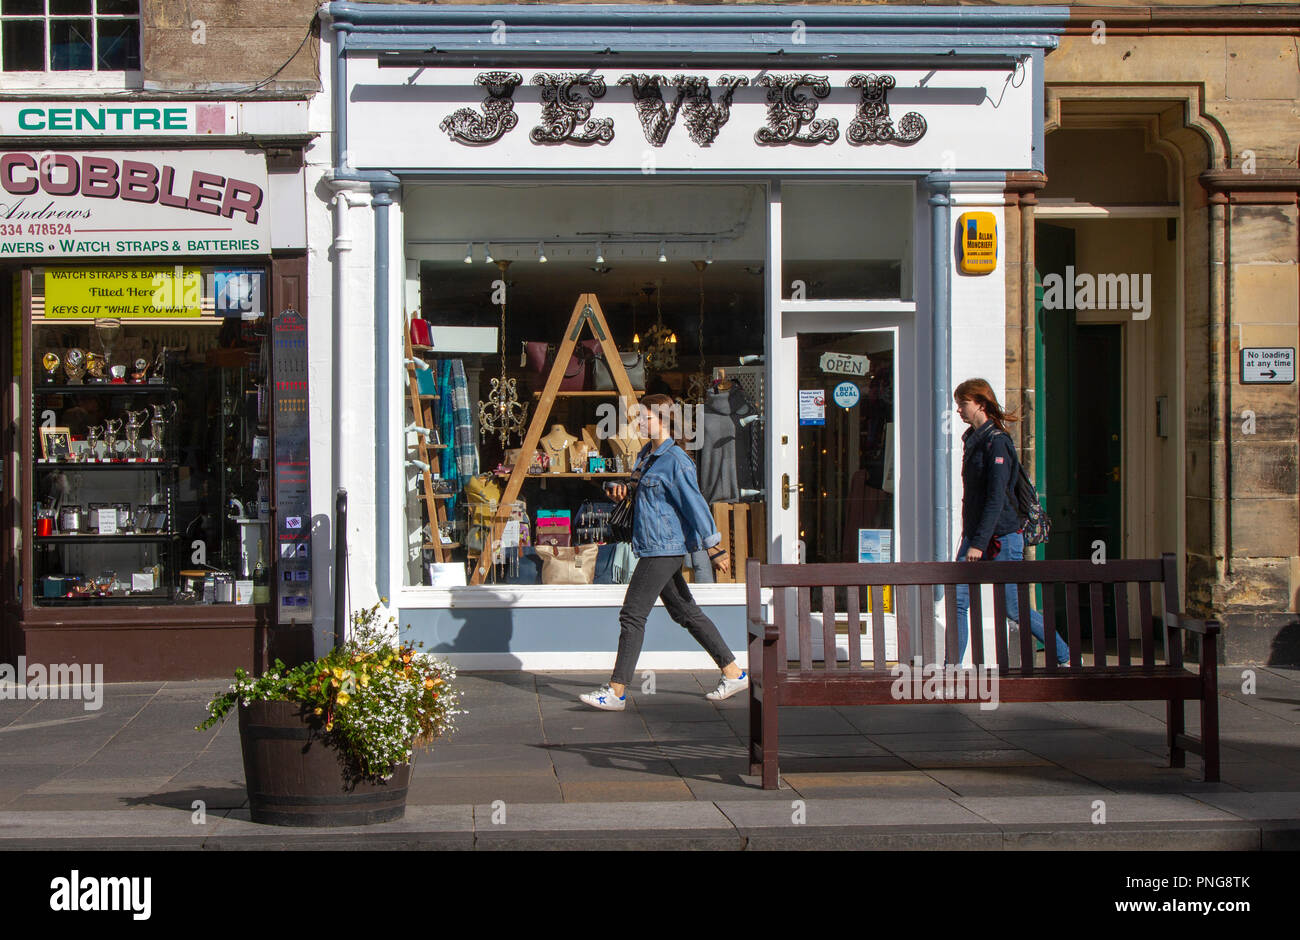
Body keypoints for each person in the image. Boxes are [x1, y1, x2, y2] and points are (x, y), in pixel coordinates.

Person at [579, 393, 746, 710]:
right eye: (639, 417)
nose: (640, 422)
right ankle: (734, 672)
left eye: (646, 417)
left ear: (665, 419)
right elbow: (649, 498)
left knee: (632, 615)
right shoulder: (646, 455)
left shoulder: (677, 461)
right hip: (652, 544)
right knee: (685, 612)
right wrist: (622, 491)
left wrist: (715, 548)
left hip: (664, 548)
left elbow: (695, 505)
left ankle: (616, 692)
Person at [953, 378, 1070, 666]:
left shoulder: (997, 443)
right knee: (957, 600)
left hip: (1002, 537)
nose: (959, 410)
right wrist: (972, 537)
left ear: (980, 403)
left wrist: (978, 544)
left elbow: (996, 498)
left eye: (963, 404)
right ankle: (951, 667)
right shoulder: (973, 440)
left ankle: (1065, 655)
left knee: (1014, 608)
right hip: (976, 535)